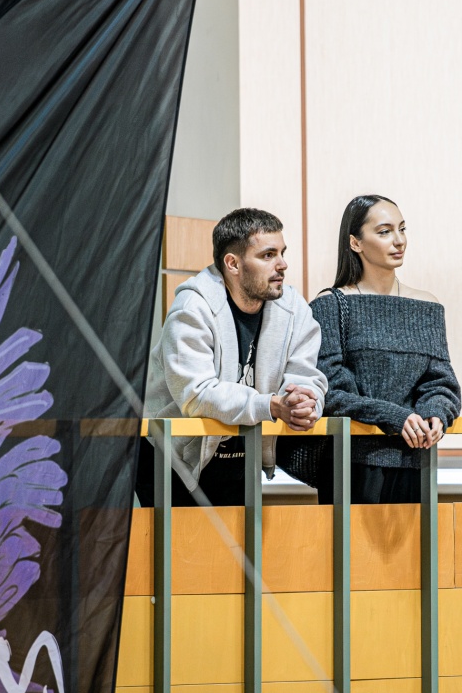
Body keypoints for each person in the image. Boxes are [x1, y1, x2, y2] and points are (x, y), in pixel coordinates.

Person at [280, 194, 461, 504]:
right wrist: (396, 417)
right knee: (348, 539)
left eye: (402, 229)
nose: (399, 240)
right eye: (384, 231)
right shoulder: (330, 305)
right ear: (355, 243)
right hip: (351, 462)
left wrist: (436, 414)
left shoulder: (427, 306)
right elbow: (330, 390)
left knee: (419, 538)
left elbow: (441, 383)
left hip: (417, 458)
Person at [140, 208, 327, 506]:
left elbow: (306, 375)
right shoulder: (192, 308)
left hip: (241, 449)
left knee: (237, 538)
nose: (282, 264)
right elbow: (197, 395)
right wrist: (271, 405)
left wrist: (304, 400)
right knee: (181, 539)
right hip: (173, 456)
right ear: (233, 264)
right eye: (268, 255)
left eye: (282, 253)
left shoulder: (294, 308)